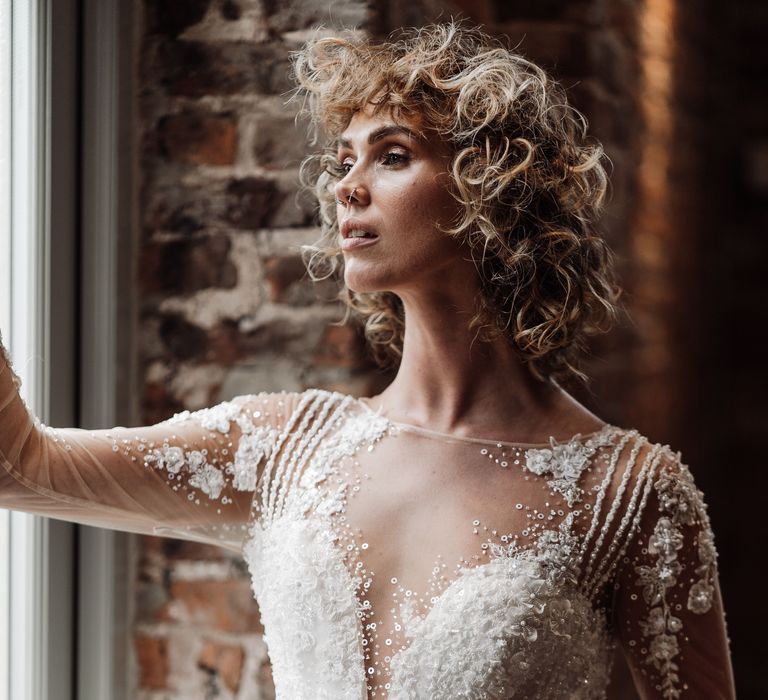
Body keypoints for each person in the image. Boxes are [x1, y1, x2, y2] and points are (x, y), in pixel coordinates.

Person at [0, 21, 735, 700]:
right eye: (345, 160)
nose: (345, 187)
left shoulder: (632, 495)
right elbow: (19, 468)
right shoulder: (283, 448)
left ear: (491, 189)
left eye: (392, 156)